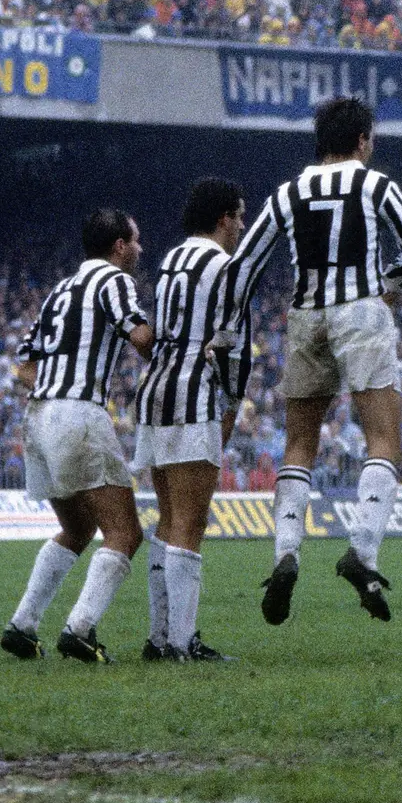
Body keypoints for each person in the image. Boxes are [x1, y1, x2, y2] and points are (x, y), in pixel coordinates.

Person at [219, 96, 402, 625]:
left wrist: (227, 330)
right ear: (362, 140)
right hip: (360, 310)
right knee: (384, 439)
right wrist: (388, 285)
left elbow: (244, 267)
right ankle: (361, 552)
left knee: (299, 443)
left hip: (306, 314)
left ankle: (286, 554)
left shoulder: (287, 192)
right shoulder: (376, 184)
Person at [0, 209, 154, 663]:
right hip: (77, 414)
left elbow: (22, 366)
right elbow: (142, 339)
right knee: (125, 533)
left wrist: (55, 385)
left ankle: (22, 625)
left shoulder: (60, 292)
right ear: (120, 246)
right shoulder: (114, 280)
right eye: (137, 240)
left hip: (40, 414)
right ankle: (80, 629)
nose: (141, 249)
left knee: (77, 527)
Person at [134, 178, 249, 663]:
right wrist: (231, 405)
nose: (243, 226)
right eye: (240, 216)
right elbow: (232, 343)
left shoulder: (171, 259)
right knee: (191, 520)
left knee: (167, 519)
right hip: (193, 396)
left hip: (155, 391)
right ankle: (181, 641)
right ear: (223, 218)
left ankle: (161, 638)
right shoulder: (225, 266)